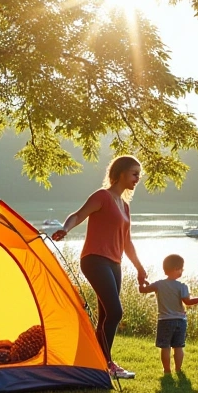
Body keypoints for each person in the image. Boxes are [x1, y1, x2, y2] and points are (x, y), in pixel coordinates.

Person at [51, 155, 149, 380]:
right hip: (95, 259)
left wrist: (139, 268)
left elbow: (127, 242)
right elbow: (78, 215)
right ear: (121, 173)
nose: (137, 178)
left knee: (106, 315)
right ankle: (105, 363)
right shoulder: (102, 196)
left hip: (115, 263)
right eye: (134, 174)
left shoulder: (125, 206)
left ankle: (93, 364)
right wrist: (65, 229)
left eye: (139, 175)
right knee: (115, 312)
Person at [140, 254, 191, 375]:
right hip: (180, 320)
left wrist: (142, 282)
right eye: (181, 269)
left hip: (165, 320)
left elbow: (143, 290)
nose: (182, 271)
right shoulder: (182, 286)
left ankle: (167, 370)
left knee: (165, 347)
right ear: (176, 269)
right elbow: (187, 301)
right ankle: (178, 369)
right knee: (178, 346)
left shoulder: (159, 284)